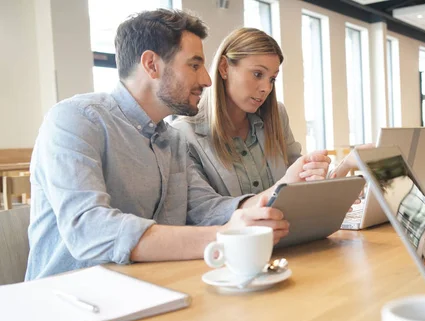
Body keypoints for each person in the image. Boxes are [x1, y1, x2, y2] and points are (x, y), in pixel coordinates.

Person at [25, 9, 289, 280]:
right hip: (68, 301)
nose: (207, 81)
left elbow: (205, 209)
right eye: (194, 65)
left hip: (150, 290)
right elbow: (90, 230)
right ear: (151, 64)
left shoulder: (172, 139)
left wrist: (265, 204)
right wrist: (224, 235)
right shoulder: (75, 119)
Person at [172, 28, 331, 198]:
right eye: (257, 74)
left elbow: (298, 180)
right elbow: (207, 212)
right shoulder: (183, 134)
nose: (266, 88)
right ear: (224, 68)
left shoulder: (277, 115)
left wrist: (312, 172)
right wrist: (283, 186)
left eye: (272, 79)